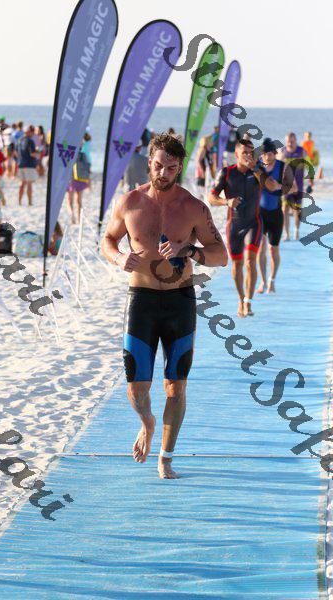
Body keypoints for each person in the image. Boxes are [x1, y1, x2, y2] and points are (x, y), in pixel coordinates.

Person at [101, 133, 227, 479]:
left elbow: (221, 256)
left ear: (179, 168)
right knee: (136, 387)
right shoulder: (130, 202)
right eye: (159, 165)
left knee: (176, 385)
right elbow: (108, 240)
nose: (164, 173)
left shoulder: (193, 207)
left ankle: (166, 457)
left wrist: (190, 251)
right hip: (140, 300)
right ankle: (147, 422)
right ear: (149, 162)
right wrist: (118, 257)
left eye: (171, 168)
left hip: (179, 301)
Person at [209, 138, 282, 318]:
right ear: (236, 154)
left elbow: (272, 187)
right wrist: (226, 202)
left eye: (251, 153)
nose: (248, 156)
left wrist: (255, 169)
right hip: (234, 225)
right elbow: (211, 198)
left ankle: (248, 302)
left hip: (253, 223)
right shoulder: (227, 173)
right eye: (244, 153)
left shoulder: (258, 170)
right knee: (237, 264)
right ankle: (241, 299)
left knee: (250, 261)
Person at [256, 138, 297, 294]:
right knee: (261, 248)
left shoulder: (283, 167)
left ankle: (272, 281)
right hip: (260, 213)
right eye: (265, 153)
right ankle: (262, 281)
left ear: (274, 153)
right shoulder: (257, 167)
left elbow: (294, 188)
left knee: (273, 250)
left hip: (275, 214)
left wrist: (277, 186)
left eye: (270, 153)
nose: (268, 156)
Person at [278, 133, 306, 241]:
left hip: (299, 184)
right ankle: (286, 234)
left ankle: (296, 230)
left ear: (296, 140)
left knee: (297, 209)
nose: (290, 143)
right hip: (286, 185)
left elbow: (310, 165)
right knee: (284, 209)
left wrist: (311, 182)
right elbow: (277, 167)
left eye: (292, 141)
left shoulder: (301, 151)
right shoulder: (282, 152)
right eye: (288, 141)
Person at [67, 140, 90, 224]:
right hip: (81, 179)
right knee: (79, 201)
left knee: (69, 201)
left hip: (71, 179)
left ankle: (72, 218)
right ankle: (79, 219)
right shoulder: (83, 155)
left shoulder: (69, 154)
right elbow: (87, 168)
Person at [16, 125, 38, 206]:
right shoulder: (30, 141)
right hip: (29, 164)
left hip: (20, 164)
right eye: (32, 132)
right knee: (29, 184)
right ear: (29, 132)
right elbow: (32, 153)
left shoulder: (19, 140)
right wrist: (38, 153)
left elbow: (16, 152)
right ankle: (29, 202)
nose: (33, 133)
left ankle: (19, 201)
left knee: (22, 183)